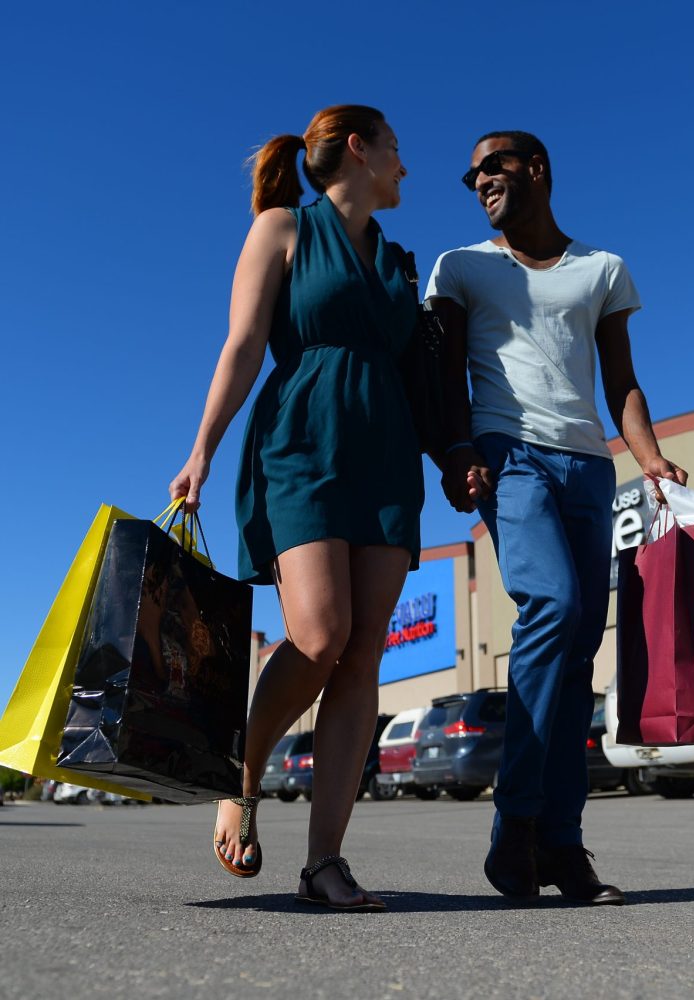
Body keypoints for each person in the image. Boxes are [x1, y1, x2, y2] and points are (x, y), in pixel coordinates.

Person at [169, 105, 422, 912]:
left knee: (363, 658)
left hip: (385, 454)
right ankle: (238, 773)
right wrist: (202, 447)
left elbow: (421, 371)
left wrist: (456, 458)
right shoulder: (282, 228)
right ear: (360, 148)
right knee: (319, 635)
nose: (404, 166)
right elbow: (242, 343)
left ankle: (324, 862)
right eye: (396, 149)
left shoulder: (399, 259)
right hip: (301, 442)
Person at [426, 131, 688, 906]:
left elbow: (623, 382)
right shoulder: (461, 267)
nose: (480, 182)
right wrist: (453, 452)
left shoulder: (601, 269)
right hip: (510, 457)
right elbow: (441, 373)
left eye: (493, 167)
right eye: (471, 175)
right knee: (553, 606)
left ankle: (562, 846)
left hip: (588, 468)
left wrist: (649, 457)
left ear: (536, 169)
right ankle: (518, 828)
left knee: (579, 654)